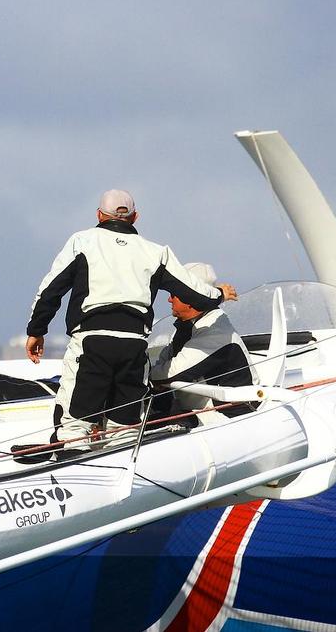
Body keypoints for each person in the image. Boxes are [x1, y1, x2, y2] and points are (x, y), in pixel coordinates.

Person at [25, 190, 238, 452]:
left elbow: (51, 290)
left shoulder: (82, 242)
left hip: (91, 343)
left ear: (99, 215)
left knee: (74, 425)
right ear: (135, 217)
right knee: (124, 427)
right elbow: (193, 292)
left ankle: (73, 467)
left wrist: (36, 331)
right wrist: (220, 295)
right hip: (133, 347)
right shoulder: (156, 252)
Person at [149, 262, 258, 425]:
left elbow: (171, 372)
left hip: (230, 419)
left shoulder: (216, 331)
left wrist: (150, 378)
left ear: (192, 297)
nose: (169, 299)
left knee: (152, 424)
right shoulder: (187, 325)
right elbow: (162, 365)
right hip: (202, 413)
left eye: (174, 293)